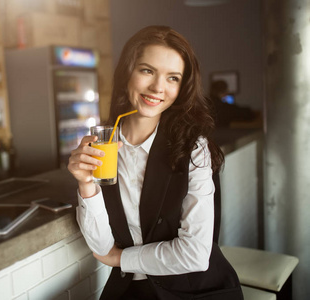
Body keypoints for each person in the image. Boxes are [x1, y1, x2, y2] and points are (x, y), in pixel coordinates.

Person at [68, 26, 243, 299]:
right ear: (127, 72)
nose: (158, 88)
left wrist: (121, 259)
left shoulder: (193, 148)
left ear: (181, 87)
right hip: (132, 291)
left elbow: (195, 255)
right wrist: (85, 183)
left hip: (193, 291)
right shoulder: (104, 146)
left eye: (172, 78)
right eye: (147, 71)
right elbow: (101, 246)